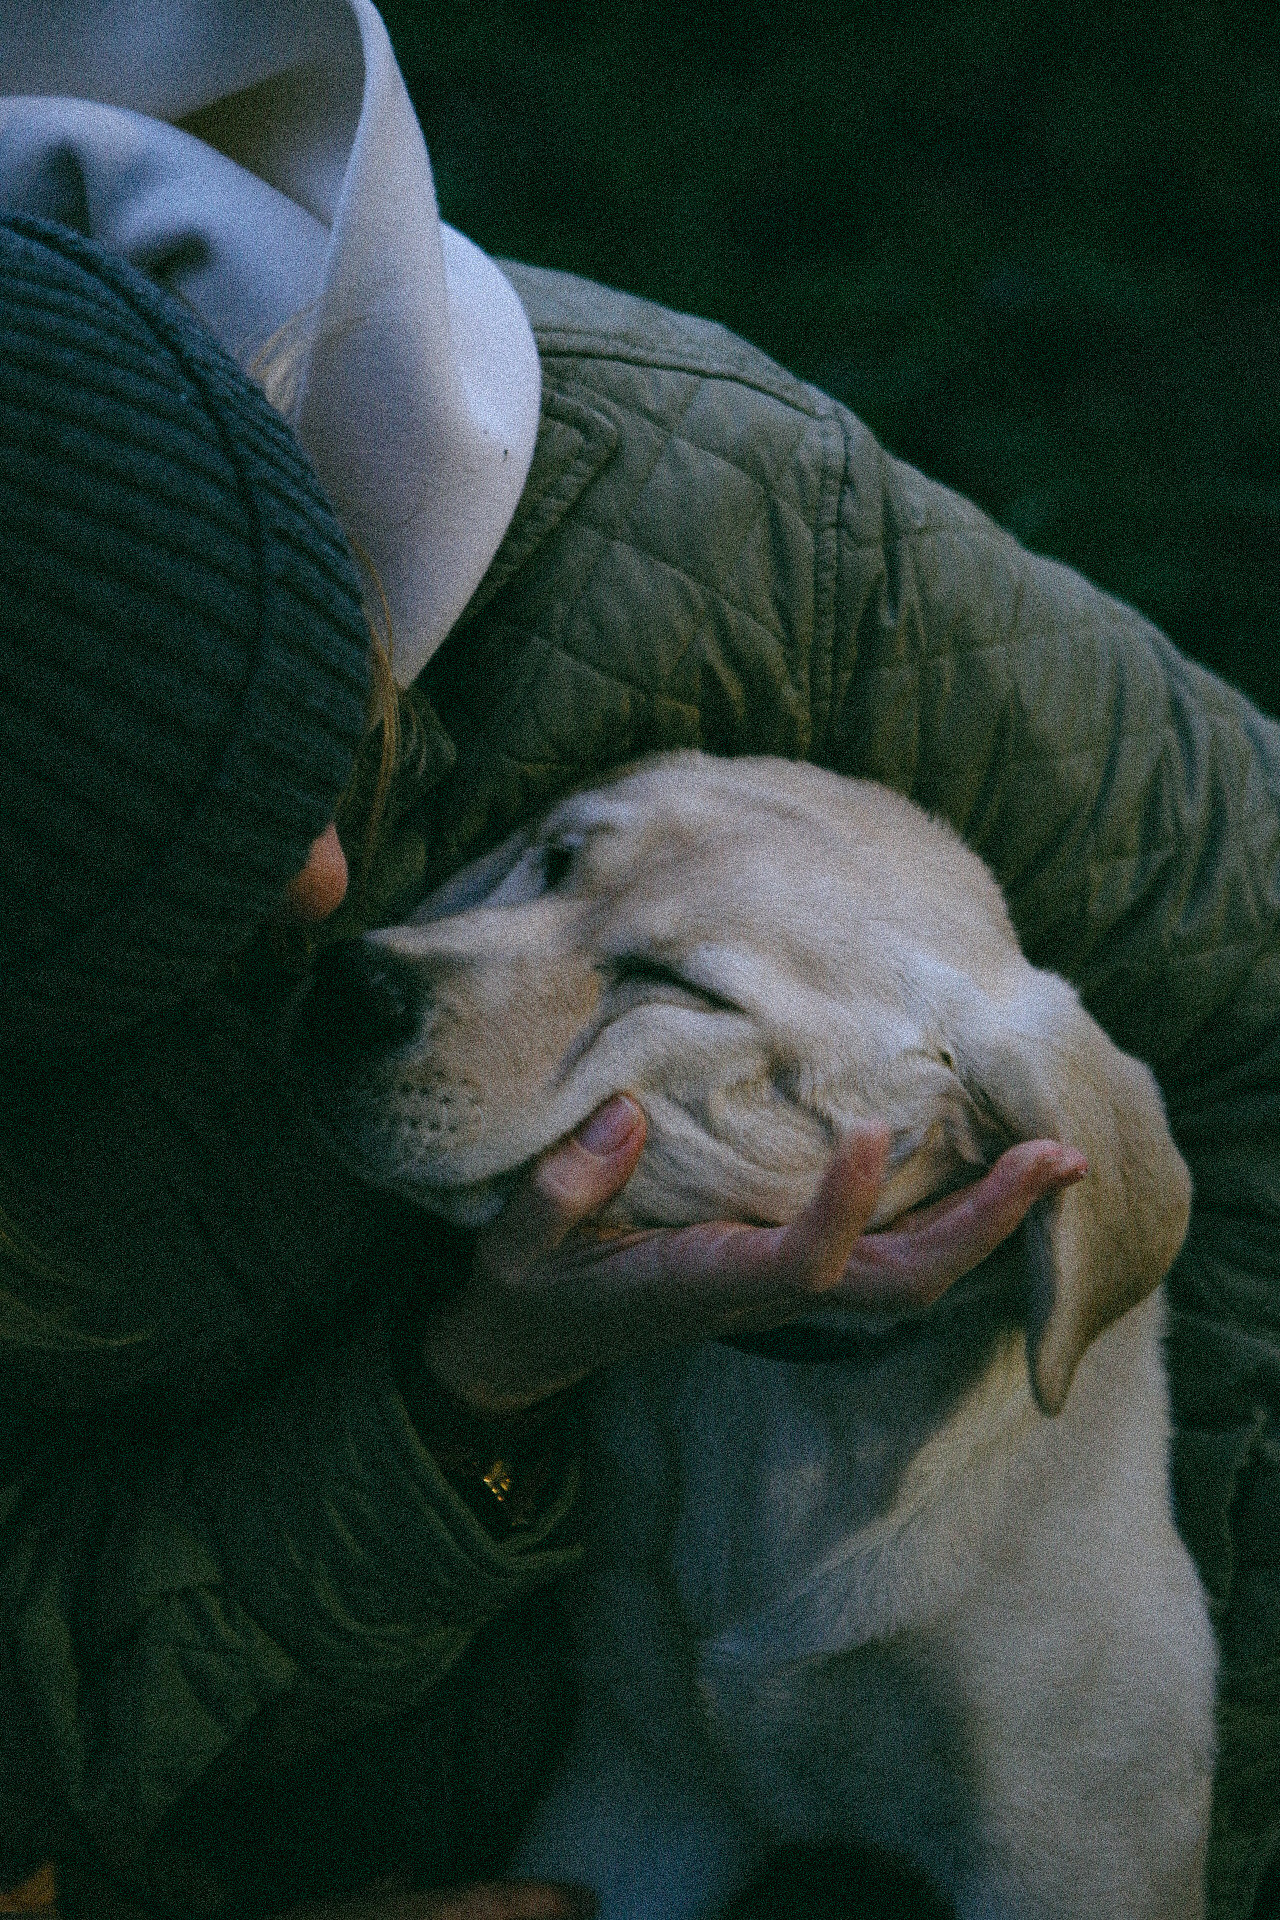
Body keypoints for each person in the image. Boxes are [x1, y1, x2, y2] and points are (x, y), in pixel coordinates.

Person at [1, 7, 1277, 1920]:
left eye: (318, 742)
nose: (355, 896)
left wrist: (1136, 1715)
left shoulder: (715, 534)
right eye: (180, 886)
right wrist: (472, 1388)